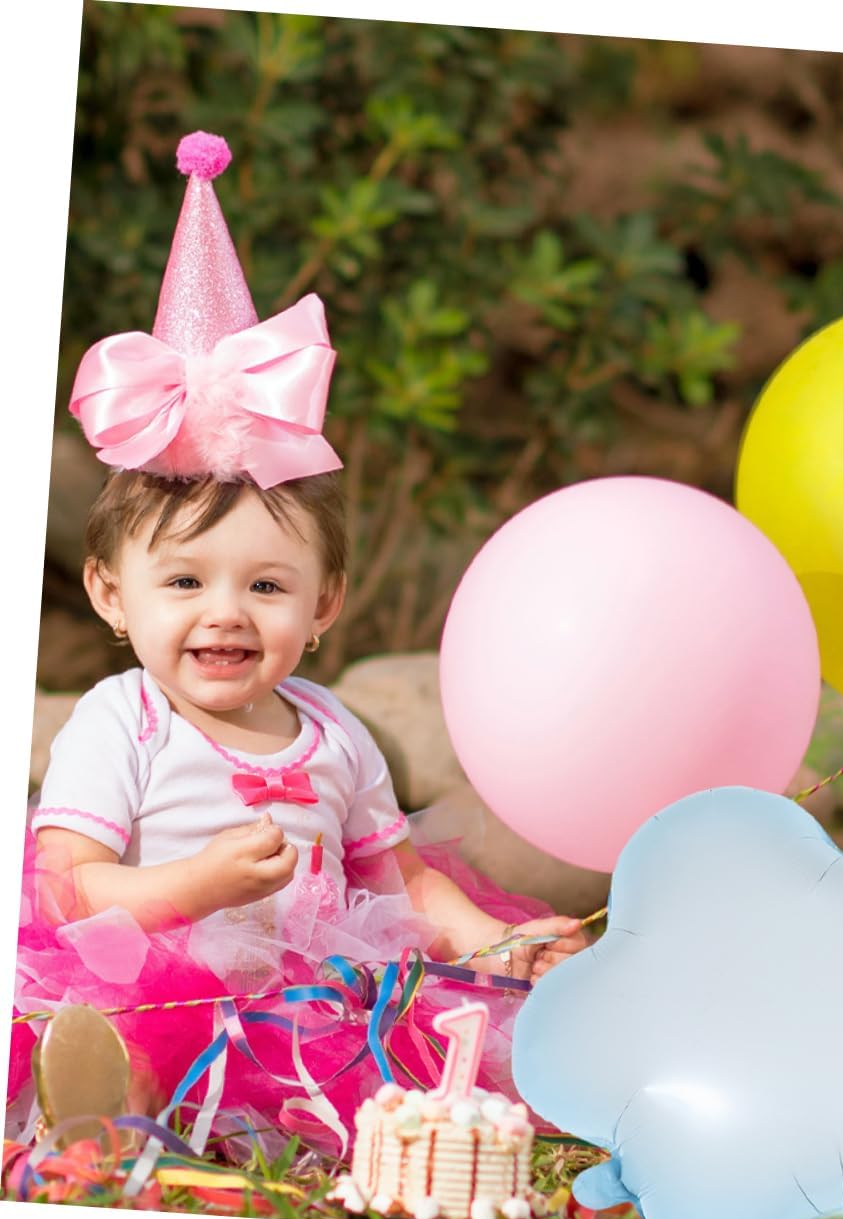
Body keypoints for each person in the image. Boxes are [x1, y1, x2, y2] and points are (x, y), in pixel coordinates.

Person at [7, 132, 587, 1154]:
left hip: (307, 1002)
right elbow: (67, 888)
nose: (226, 612)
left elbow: (403, 886)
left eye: (268, 586)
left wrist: (493, 938)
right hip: (158, 984)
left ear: (325, 604)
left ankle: (243, 1119)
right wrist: (193, 887)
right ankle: (101, 1106)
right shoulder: (122, 720)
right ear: (109, 594)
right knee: (127, 1033)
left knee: (401, 1049)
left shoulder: (334, 731)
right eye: (183, 582)